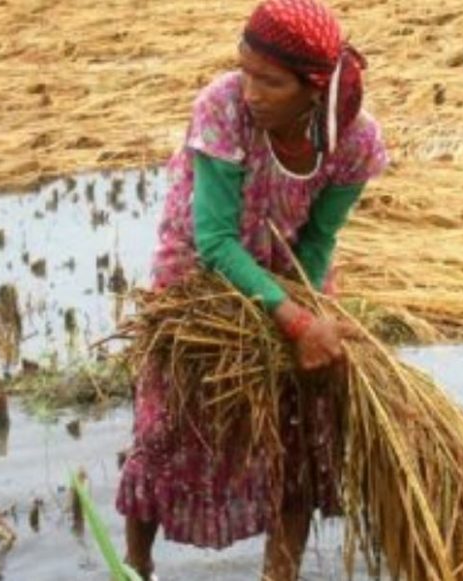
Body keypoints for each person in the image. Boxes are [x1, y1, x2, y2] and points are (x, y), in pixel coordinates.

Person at [115, 0, 387, 578]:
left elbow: (315, 242)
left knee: (297, 434)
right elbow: (213, 240)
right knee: (169, 429)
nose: (252, 91)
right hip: (198, 282)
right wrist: (290, 319)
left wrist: (305, 311)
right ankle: (135, 568)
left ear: (315, 89)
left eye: (271, 81)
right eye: (245, 70)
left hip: (289, 278)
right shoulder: (222, 108)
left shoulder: (353, 143)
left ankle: (278, 573)